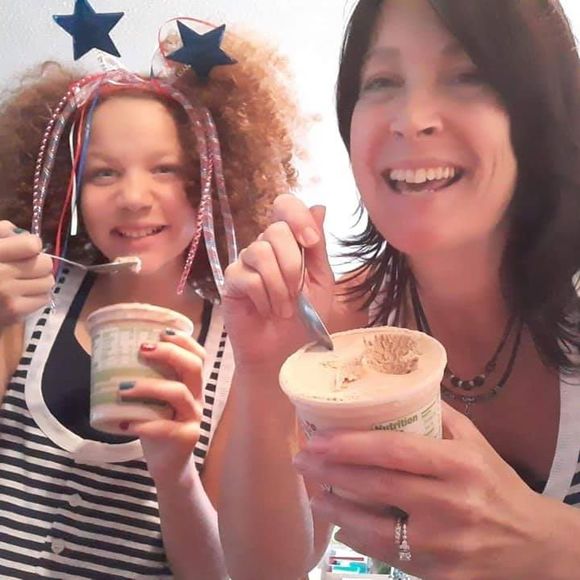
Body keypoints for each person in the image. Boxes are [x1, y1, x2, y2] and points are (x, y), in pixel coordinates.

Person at [218, 0, 580, 578]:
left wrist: (549, 545)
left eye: (468, 75)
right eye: (382, 81)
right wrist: (265, 377)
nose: (412, 119)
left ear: (540, 109)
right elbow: (265, 570)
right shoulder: (339, 330)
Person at [0, 20, 304, 579]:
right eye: (102, 173)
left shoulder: (243, 353)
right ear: (70, 188)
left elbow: (223, 572)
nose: (134, 197)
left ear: (213, 181)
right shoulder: (27, 301)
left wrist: (175, 472)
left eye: (165, 169)